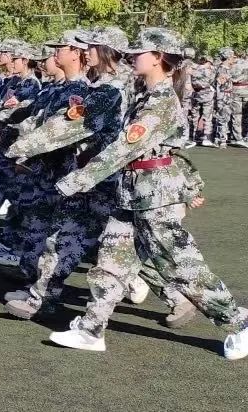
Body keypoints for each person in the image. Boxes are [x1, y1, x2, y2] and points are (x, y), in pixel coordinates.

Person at [45, 28, 248, 360]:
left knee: (181, 266)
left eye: (140, 52)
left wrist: (77, 180)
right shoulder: (144, 94)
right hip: (133, 192)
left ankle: (239, 323)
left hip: (156, 197)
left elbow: (124, 148)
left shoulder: (160, 101)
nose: (132, 57)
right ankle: (90, 330)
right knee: (111, 262)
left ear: (157, 58)